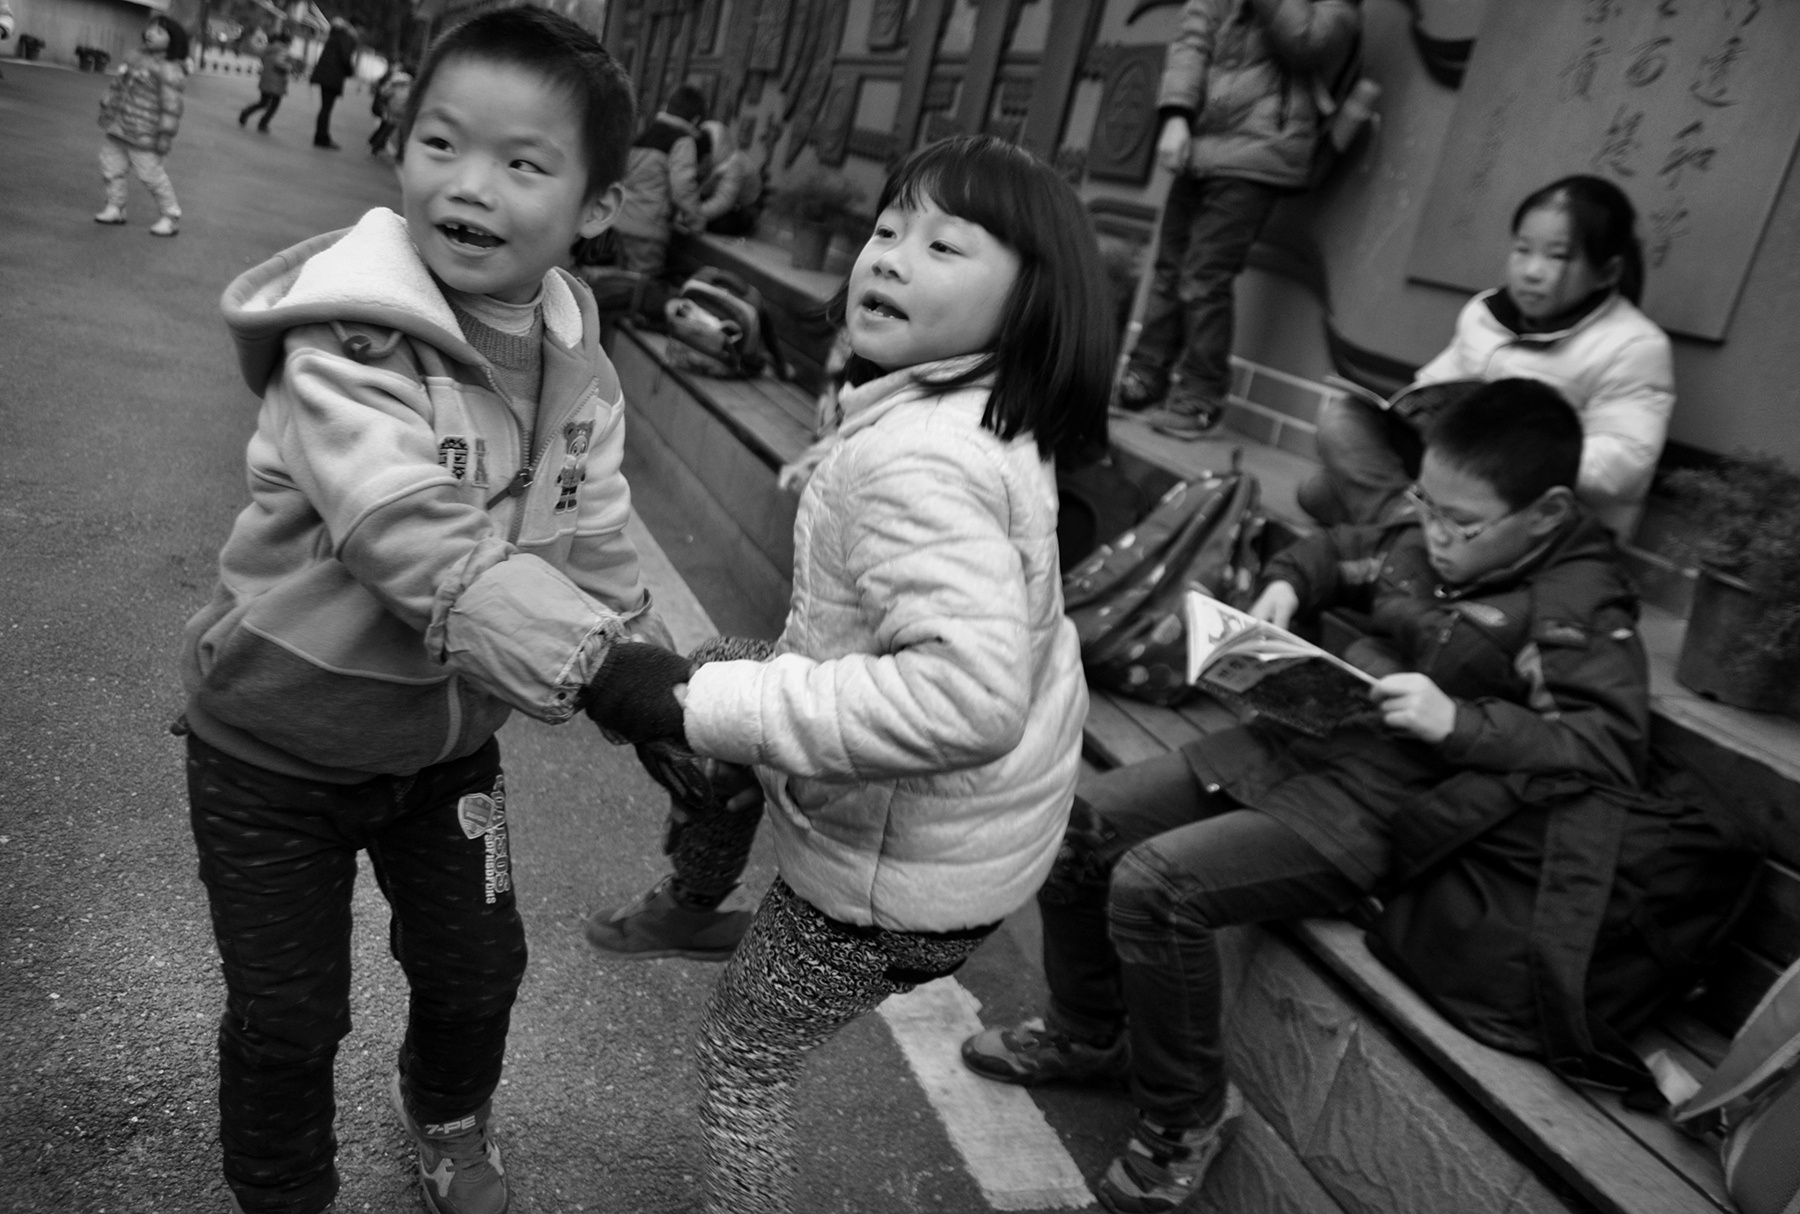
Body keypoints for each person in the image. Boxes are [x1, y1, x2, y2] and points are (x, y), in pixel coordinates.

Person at [961, 379, 1651, 1213]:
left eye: (1459, 523)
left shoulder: (1576, 602)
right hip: (1295, 742)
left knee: (1157, 886)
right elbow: (1347, 548)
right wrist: (1290, 579)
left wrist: (1461, 723)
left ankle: (1187, 1116)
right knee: (1078, 826)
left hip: (1381, 810)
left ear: (1544, 514)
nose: (1432, 532)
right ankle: (1090, 1032)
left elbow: (1606, 749)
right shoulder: (1424, 527)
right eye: (1425, 503)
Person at [583, 134, 1116, 1213]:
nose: (889, 255)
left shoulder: (921, 457)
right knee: (732, 670)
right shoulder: (969, 407)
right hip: (966, 835)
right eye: (886, 228)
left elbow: (965, 699)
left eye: (944, 243)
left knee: (746, 1055)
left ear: (1031, 301)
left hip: (894, 886)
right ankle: (696, 894)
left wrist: (692, 705)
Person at [179, 10, 653, 1214]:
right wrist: (596, 670)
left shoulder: (578, 372)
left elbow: (595, 538)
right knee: (289, 1014)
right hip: (272, 751)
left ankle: (446, 1118)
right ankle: (283, 1190)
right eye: (442, 142)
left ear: (595, 206)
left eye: (522, 162)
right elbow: (403, 525)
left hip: (444, 753)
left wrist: (657, 696)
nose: (470, 184)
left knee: (478, 969)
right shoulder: (342, 339)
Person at [1303, 174, 1675, 539]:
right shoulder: (1485, 313)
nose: (1531, 271)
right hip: (1452, 474)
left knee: (1338, 495)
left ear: (1607, 272)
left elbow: (1626, 465)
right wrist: (1420, 414)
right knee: (1336, 435)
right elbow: (1434, 384)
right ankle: (1412, 531)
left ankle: (1406, 538)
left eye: (1557, 256)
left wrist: (1513, 452)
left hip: (1526, 507)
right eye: (1522, 249)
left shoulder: (1635, 345)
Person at [1116, 0, 1361, 438]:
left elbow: (1307, 43)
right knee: (1169, 267)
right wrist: (1176, 116)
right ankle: (1144, 376)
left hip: (1261, 150)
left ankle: (1199, 396)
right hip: (1200, 143)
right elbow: (1192, 39)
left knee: (1205, 274)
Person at [93, 14, 188, 237]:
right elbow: (117, 87)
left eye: (160, 32)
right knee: (110, 167)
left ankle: (170, 215)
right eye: (151, 28)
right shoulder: (133, 58)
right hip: (119, 127)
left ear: (173, 40)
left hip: (145, 132)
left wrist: (164, 136)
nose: (151, 33)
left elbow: (172, 107)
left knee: (151, 176)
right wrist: (107, 108)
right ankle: (115, 207)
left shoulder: (169, 69)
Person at [610, 83, 707, 286]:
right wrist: (697, 221)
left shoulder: (646, 134)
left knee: (618, 286)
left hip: (621, 222)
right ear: (696, 119)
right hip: (648, 230)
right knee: (640, 290)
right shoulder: (682, 141)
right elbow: (683, 187)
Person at [696, 118, 762, 236]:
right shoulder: (704, 149)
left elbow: (722, 202)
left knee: (719, 224)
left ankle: (749, 225)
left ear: (707, 157)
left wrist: (691, 213)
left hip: (743, 207)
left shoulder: (734, 165)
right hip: (719, 197)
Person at [308, 17, 357, 149]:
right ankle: (321, 137)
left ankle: (322, 135)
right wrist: (350, 71)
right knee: (326, 109)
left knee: (325, 107)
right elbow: (345, 58)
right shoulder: (345, 38)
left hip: (324, 75)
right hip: (333, 76)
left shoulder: (334, 36)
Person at [237, 31, 296, 133]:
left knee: (263, 102)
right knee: (274, 105)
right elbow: (279, 62)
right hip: (277, 82)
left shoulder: (270, 48)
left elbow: (264, 59)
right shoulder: (283, 50)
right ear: (287, 41)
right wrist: (289, 67)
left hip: (266, 79)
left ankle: (246, 112)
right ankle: (263, 123)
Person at [367, 61, 413, 155]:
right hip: (402, 109)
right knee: (390, 129)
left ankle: (375, 144)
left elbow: (385, 93)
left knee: (386, 127)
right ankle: (379, 145)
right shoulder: (410, 85)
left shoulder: (396, 81)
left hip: (391, 107)